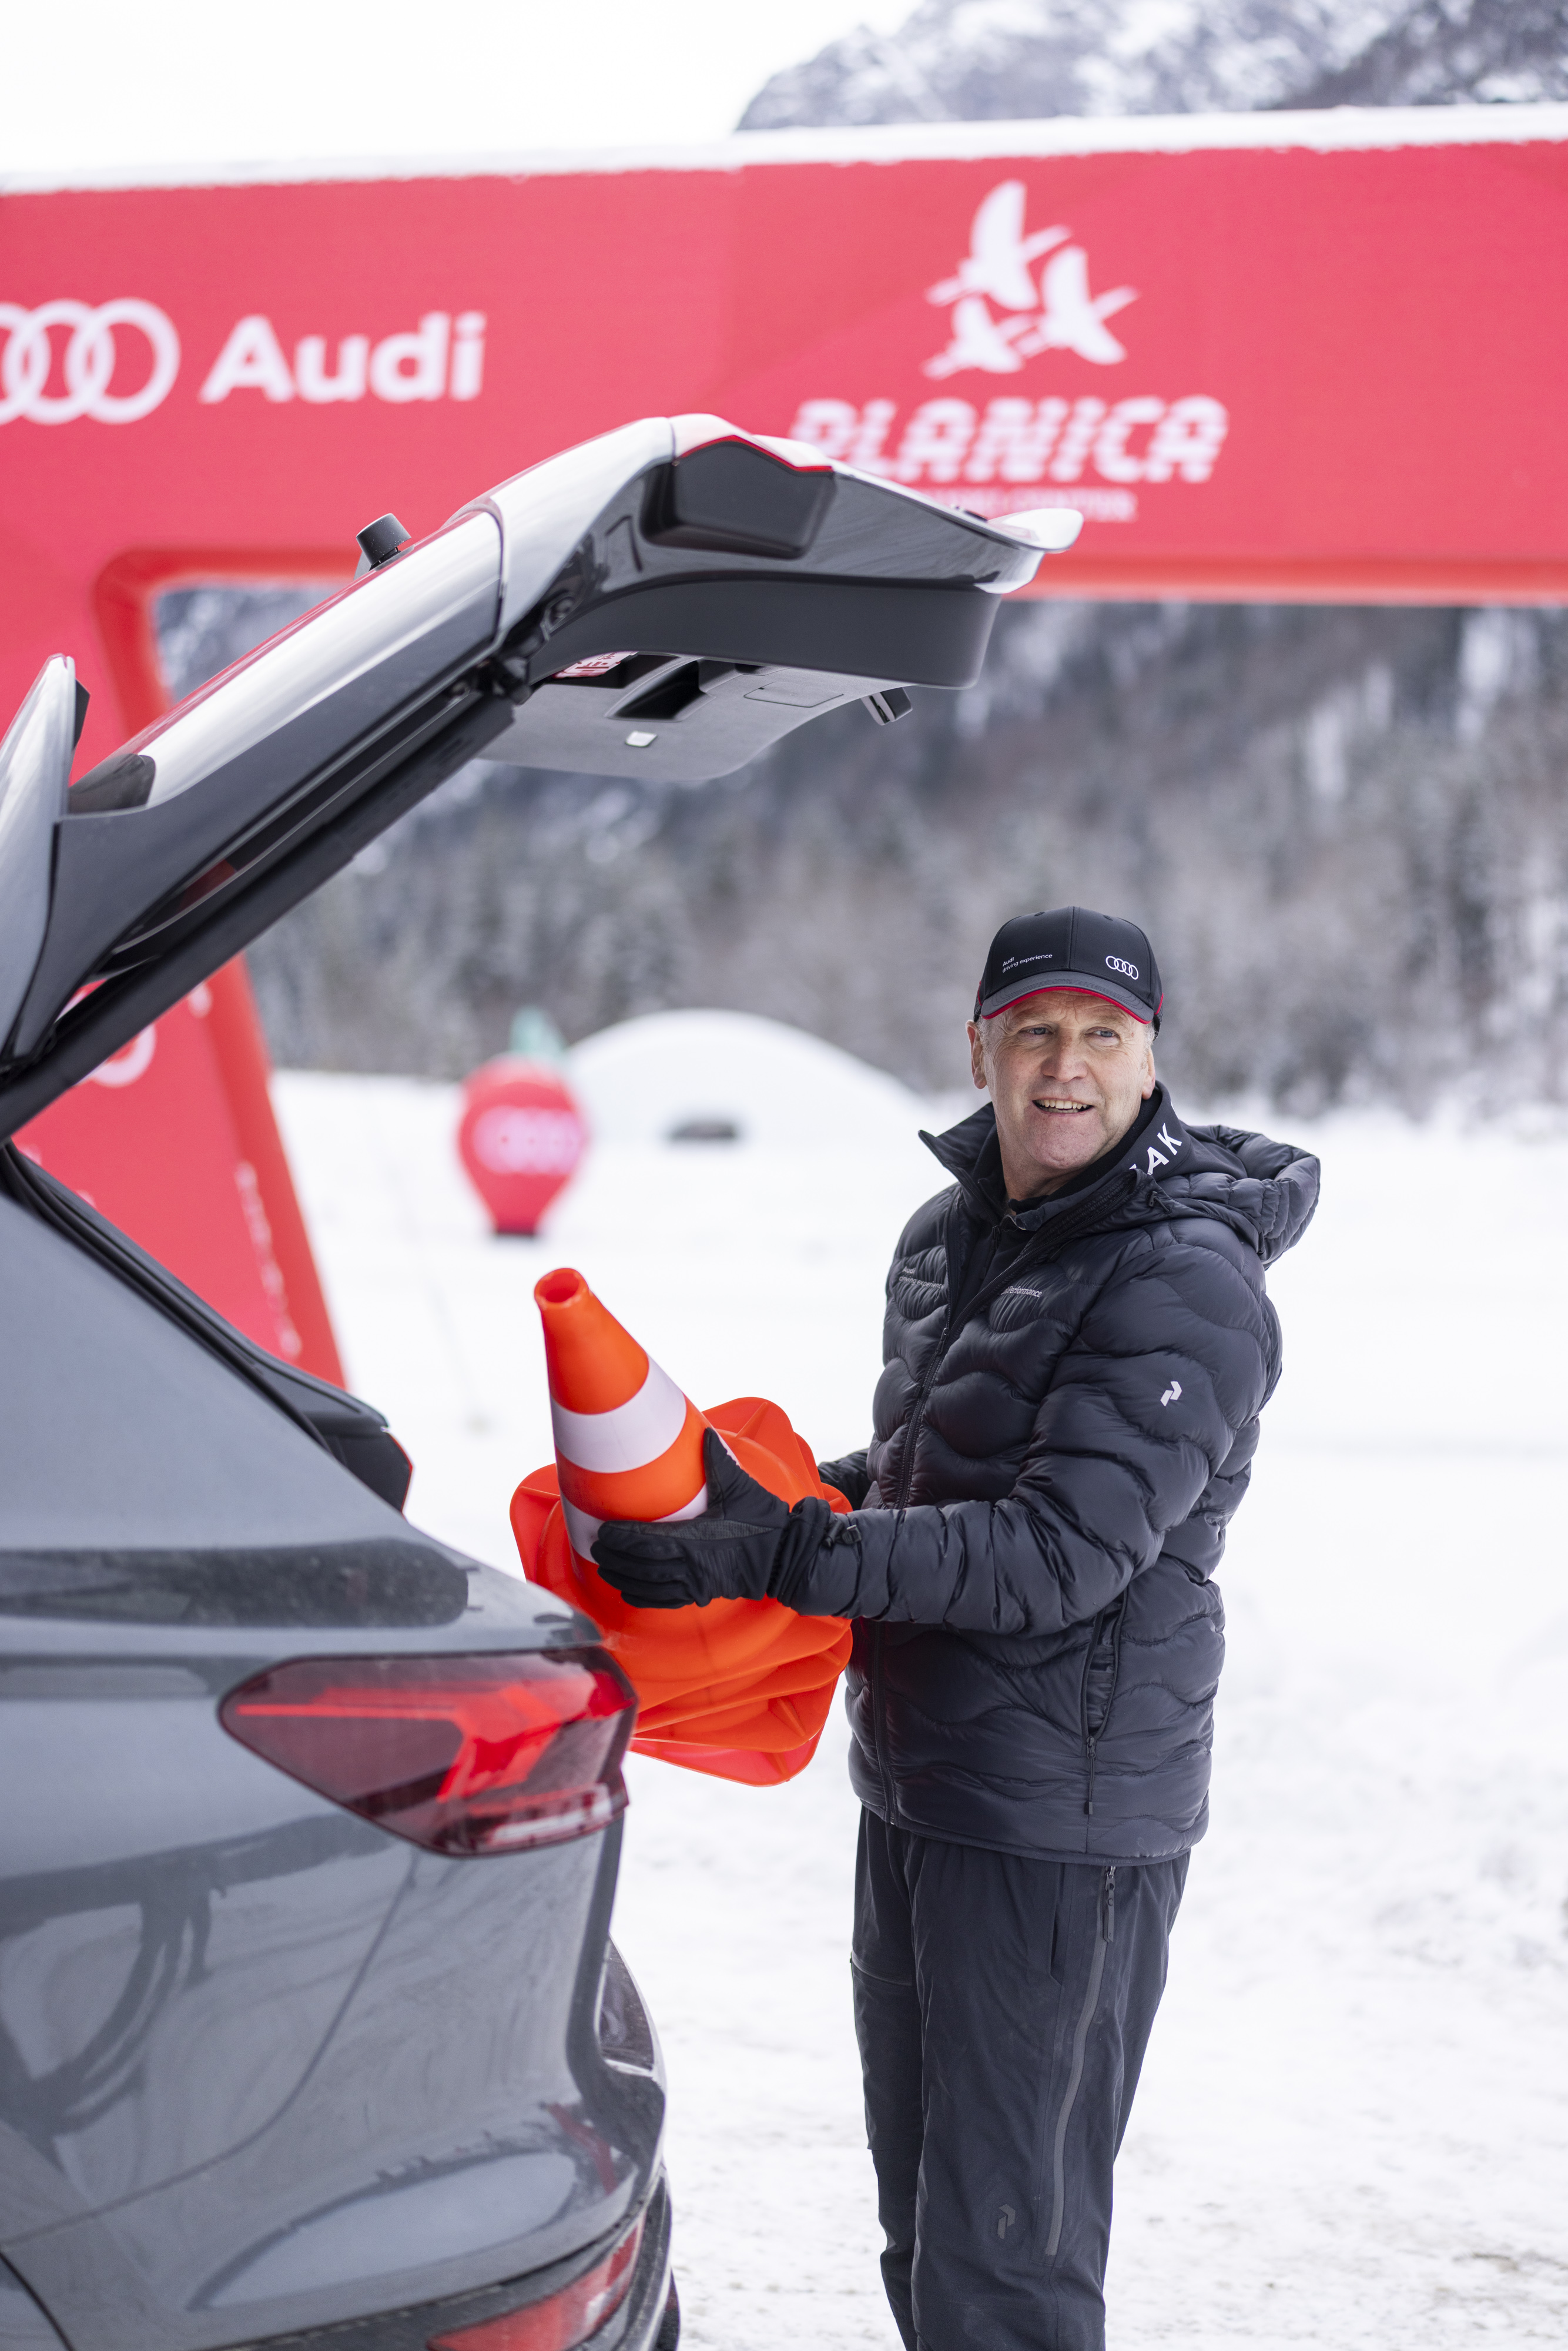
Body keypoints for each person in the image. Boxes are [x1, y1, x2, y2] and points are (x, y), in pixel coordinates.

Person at [594, 906, 1319, 2351]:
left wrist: (796, 1547)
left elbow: (1058, 1551)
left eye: (1102, 1036)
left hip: (1061, 1824)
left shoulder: (1187, 1278)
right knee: (925, 2221)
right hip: (922, 1782)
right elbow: (928, 1476)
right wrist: (758, 1506)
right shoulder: (946, 1235)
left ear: (1148, 1055)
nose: (1067, 1067)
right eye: (1035, 1030)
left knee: (1009, 2256)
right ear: (976, 1044)